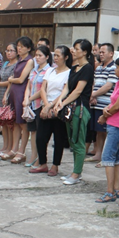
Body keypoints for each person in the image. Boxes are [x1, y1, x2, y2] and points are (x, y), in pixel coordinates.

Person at [53, 39, 94, 185]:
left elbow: (78, 91)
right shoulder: (75, 68)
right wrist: (60, 101)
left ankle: (76, 173)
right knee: (72, 140)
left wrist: (63, 103)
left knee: (78, 141)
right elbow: (67, 88)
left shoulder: (87, 68)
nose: (74, 51)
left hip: (80, 108)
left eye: (77, 49)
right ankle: (76, 172)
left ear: (85, 52)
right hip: (70, 108)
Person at [96, 56, 119, 201]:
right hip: (113, 121)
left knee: (108, 156)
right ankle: (117, 189)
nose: (115, 70)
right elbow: (113, 102)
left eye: (117, 67)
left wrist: (105, 115)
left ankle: (109, 191)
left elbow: (118, 105)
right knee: (117, 157)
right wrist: (106, 110)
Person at [33, 45, 72, 176]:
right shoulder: (50, 70)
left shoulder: (69, 73)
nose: (55, 58)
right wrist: (46, 105)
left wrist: (51, 106)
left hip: (58, 108)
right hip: (46, 106)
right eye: (54, 55)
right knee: (40, 137)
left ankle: (55, 165)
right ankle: (43, 163)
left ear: (66, 57)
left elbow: (64, 92)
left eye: (58, 56)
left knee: (58, 138)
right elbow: (43, 89)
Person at [4, 37, 35, 164]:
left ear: (28, 48)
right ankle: (14, 148)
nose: (19, 48)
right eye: (18, 46)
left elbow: (21, 79)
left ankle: (21, 151)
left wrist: (11, 80)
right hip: (14, 92)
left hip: (21, 93)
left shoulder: (29, 61)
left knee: (23, 123)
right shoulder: (20, 60)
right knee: (15, 122)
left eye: (22, 46)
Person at [87, 43, 117, 164]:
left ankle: (106, 156)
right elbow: (94, 83)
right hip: (96, 103)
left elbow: (108, 86)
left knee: (106, 131)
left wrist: (93, 95)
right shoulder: (99, 68)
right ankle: (98, 154)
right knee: (98, 130)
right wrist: (92, 95)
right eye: (100, 52)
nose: (101, 54)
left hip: (106, 104)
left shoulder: (113, 68)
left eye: (103, 52)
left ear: (111, 53)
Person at [25, 45, 52, 169]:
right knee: (33, 131)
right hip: (31, 105)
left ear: (47, 57)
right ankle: (33, 155)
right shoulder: (34, 70)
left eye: (40, 55)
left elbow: (43, 89)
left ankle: (40, 158)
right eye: (36, 55)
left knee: (40, 134)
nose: (37, 58)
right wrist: (26, 98)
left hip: (40, 104)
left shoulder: (49, 71)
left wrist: (30, 98)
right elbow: (29, 85)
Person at [0, 43, 18, 158]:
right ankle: (5, 146)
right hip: (0, 94)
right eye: (7, 50)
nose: (9, 53)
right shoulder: (5, 64)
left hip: (8, 95)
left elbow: (10, 82)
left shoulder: (16, 65)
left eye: (11, 50)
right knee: (2, 123)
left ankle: (10, 148)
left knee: (9, 123)